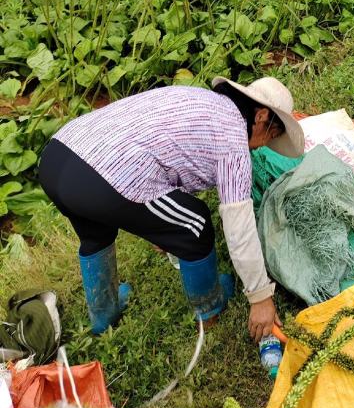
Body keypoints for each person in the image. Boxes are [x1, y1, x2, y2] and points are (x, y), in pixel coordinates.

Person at [38, 76, 304, 338]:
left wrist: (161, 226)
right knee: (194, 225)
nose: (265, 145)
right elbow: (239, 226)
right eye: (272, 134)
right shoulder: (233, 139)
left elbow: (170, 155)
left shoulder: (201, 100)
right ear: (261, 117)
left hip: (58, 157)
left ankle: (104, 315)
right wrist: (260, 298)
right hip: (105, 177)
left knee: (96, 232)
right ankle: (209, 311)